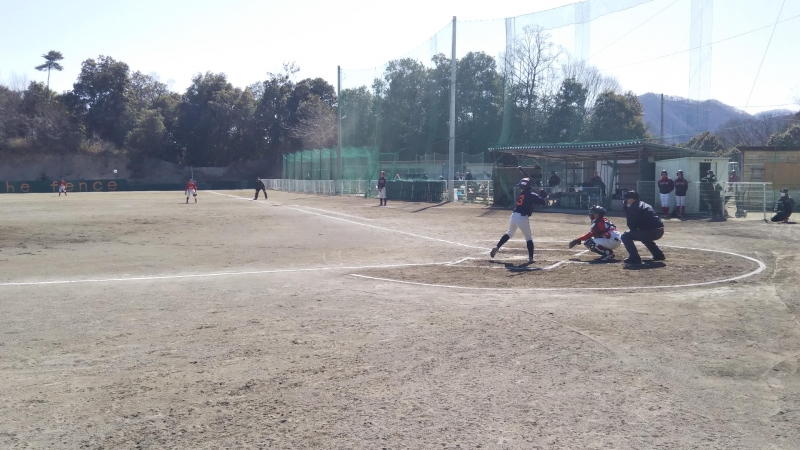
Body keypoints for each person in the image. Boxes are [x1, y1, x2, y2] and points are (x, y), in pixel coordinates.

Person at [489, 167, 547, 264]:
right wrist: (542, 193)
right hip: (522, 218)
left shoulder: (523, 194)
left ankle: (497, 246)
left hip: (514, 216)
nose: (521, 188)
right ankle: (531, 258)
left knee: (509, 233)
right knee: (528, 238)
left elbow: (536, 199)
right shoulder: (532, 195)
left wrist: (540, 194)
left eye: (522, 187)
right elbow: (543, 202)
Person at [620, 190, 665, 266]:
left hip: (651, 232)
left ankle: (634, 258)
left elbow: (631, 225)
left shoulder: (634, 207)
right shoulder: (644, 204)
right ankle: (658, 254)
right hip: (659, 230)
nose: (626, 201)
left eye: (627, 199)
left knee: (625, 236)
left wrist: (627, 210)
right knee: (642, 234)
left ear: (632, 199)